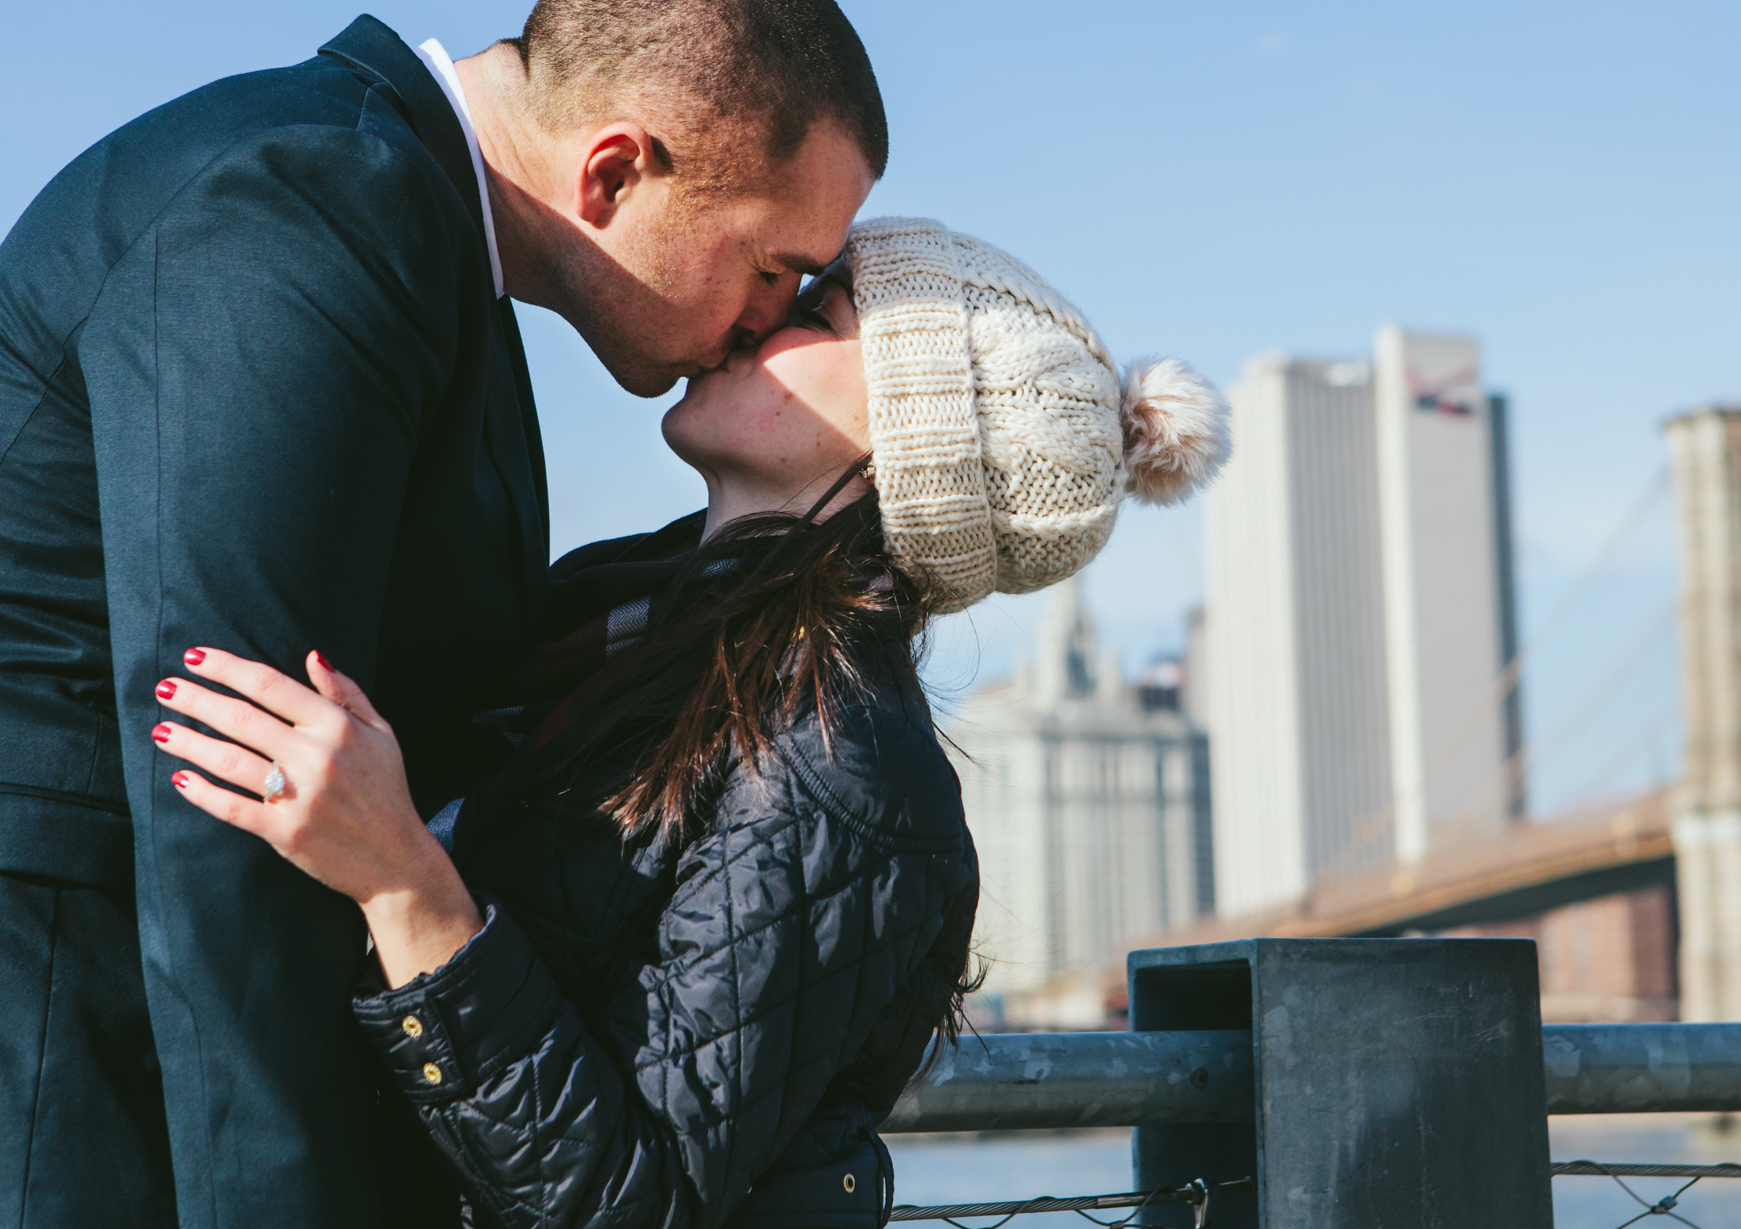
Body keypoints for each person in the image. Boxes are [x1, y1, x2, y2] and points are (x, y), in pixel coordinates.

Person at [0, 0, 884, 1229]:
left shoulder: (413, 235)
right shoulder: (311, 203)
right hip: (72, 1048)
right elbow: (235, 787)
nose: (770, 317)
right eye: (772, 266)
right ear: (616, 171)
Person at [149, 218, 1231, 1227]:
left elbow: (632, 1196)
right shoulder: (615, 623)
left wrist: (402, 883)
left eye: (816, 314)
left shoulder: (843, 771)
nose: (756, 313)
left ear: (917, 431)